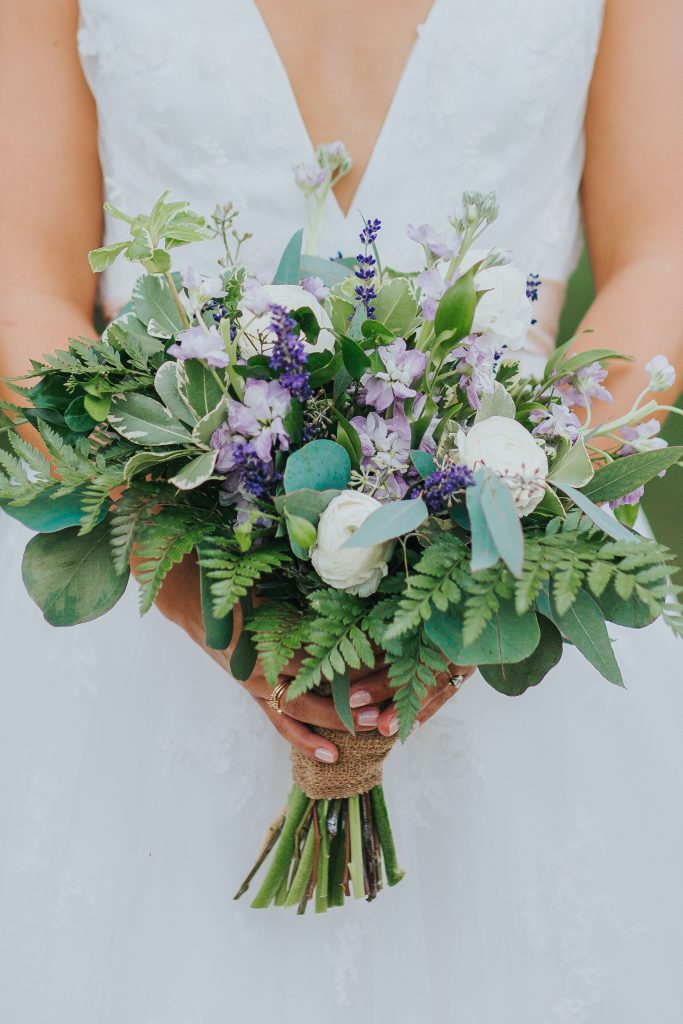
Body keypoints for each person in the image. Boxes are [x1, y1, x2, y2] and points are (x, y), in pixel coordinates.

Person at [1, 1, 682, 1020]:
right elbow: (23, 274)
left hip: (507, 593)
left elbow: (659, 249)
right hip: (146, 603)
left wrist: (498, 549)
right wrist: (198, 589)